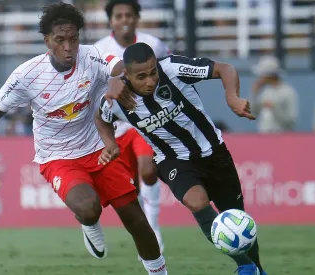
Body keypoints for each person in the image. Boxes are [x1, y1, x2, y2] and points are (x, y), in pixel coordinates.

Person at [0, 4, 167, 275]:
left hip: (98, 149)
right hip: (58, 158)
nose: (68, 47)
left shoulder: (92, 56)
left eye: (74, 39)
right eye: (60, 40)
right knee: (89, 209)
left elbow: (118, 66)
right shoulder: (27, 75)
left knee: (136, 220)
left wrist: (118, 78)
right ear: (47, 41)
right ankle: (89, 224)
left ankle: (160, 273)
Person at [94, 42, 267, 275]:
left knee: (237, 219)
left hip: (214, 153)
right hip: (171, 159)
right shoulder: (116, 99)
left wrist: (232, 98)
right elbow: (100, 118)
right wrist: (110, 144)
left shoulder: (174, 68)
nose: (150, 81)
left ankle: (257, 269)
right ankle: (244, 265)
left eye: (153, 72)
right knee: (196, 201)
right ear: (127, 75)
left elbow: (224, 69)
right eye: (141, 76)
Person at [94, 0, 171, 252]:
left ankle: (155, 228)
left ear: (137, 18)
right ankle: (145, 236)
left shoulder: (154, 45)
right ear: (111, 21)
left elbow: (169, 78)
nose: (124, 20)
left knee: (148, 169)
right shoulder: (99, 50)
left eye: (129, 14)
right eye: (119, 15)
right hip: (115, 127)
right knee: (130, 187)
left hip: (146, 122)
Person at [249, 56, 298, 133]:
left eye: (262, 74)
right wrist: (254, 93)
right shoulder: (263, 91)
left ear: (270, 75)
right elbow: (252, 113)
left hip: (282, 138)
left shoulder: (288, 92)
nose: (260, 77)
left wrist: (274, 108)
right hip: (263, 137)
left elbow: (291, 122)